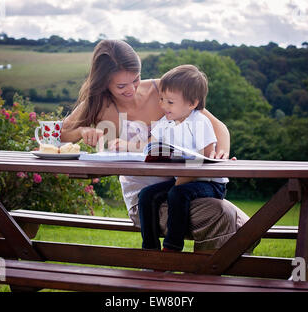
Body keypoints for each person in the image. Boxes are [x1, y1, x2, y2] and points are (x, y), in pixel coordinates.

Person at [61, 39, 249, 253]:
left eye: (136, 80)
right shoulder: (98, 104)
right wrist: (82, 131)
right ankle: (183, 271)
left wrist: (220, 153)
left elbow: (217, 127)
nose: (131, 89)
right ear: (104, 82)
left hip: (184, 184)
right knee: (224, 216)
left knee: (245, 227)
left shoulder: (163, 91)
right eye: (121, 86)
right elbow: (64, 135)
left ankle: (199, 275)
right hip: (145, 200)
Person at [139, 64, 228, 252]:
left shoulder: (200, 121)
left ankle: (172, 247)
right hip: (180, 179)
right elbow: (152, 145)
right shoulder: (166, 122)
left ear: (192, 103)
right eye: (162, 100)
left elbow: (204, 159)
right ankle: (149, 249)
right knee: (146, 195)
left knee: (177, 194)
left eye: (170, 102)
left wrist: (180, 181)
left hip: (209, 182)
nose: (163, 106)